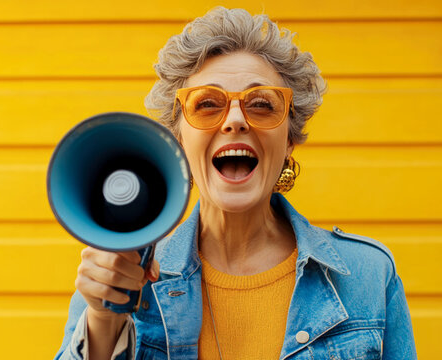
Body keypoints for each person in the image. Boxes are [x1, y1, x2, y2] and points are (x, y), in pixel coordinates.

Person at [54, 7, 416, 360]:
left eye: (261, 104)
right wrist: (103, 320)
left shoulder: (369, 274)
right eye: (207, 104)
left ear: (289, 140)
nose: (235, 120)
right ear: (179, 140)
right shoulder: (120, 270)